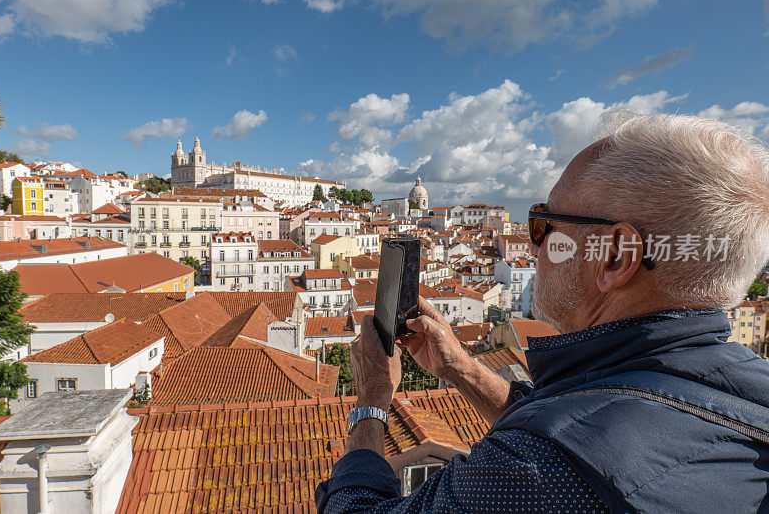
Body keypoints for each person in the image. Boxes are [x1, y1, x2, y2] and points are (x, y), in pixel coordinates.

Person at [315, 113, 769, 513]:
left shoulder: (540, 471)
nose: (532, 245)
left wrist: (373, 398)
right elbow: (574, 410)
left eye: (543, 223)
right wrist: (462, 370)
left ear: (614, 256)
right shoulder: (745, 388)